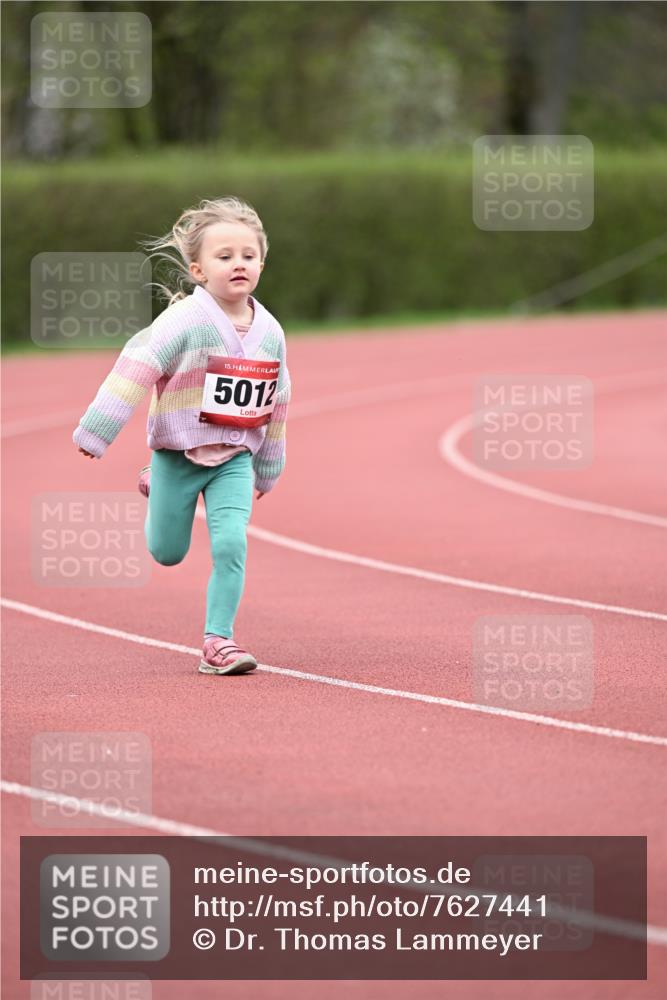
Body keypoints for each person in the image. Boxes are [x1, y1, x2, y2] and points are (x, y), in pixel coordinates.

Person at [73, 196, 291, 676]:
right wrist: (97, 430)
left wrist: (268, 465)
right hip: (178, 455)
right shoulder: (182, 322)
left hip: (234, 457)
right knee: (166, 553)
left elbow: (278, 397)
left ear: (262, 262)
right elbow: (136, 368)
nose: (239, 264)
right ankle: (156, 484)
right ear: (197, 269)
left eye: (248, 256)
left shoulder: (270, 331)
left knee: (232, 544)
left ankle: (219, 642)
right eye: (225, 256)